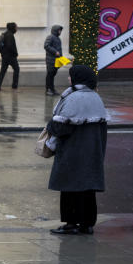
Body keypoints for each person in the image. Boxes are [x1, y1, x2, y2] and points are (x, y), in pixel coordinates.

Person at [47, 65, 109, 235]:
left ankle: (71, 223)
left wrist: (50, 125)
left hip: (73, 153)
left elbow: (60, 127)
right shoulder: (95, 97)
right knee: (88, 190)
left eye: (70, 76)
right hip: (91, 153)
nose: (69, 79)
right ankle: (87, 224)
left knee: (70, 188)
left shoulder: (75, 98)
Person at [0, 22, 19, 91]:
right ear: (13, 28)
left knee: (3, 71)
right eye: (16, 27)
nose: (17, 29)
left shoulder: (5, 34)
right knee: (17, 69)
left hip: (5, 56)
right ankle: (14, 86)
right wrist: (15, 53)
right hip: (10, 56)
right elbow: (10, 46)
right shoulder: (10, 35)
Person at [44, 24, 63, 96]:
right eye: (59, 30)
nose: (60, 32)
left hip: (57, 60)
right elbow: (46, 46)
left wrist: (61, 58)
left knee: (52, 75)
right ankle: (48, 89)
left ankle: (52, 89)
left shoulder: (58, 38)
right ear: (55, 30)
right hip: (51, 60)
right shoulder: (50, 37)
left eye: (60, 30)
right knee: (50, 75)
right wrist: (55, 52)